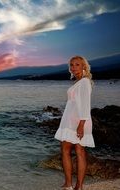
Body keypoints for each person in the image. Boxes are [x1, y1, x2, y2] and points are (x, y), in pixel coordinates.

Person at [54, 56, 95, 190]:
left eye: (77, 64)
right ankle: (77, 186)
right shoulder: (80, 82)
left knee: (66, 150)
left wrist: (81, 125)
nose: (73, 67)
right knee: (79, 150)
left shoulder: (84, 82)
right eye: (71, 65)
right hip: (76, 120)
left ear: (84, 66)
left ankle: (69, 184)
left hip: (77, 121)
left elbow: (85, 105)